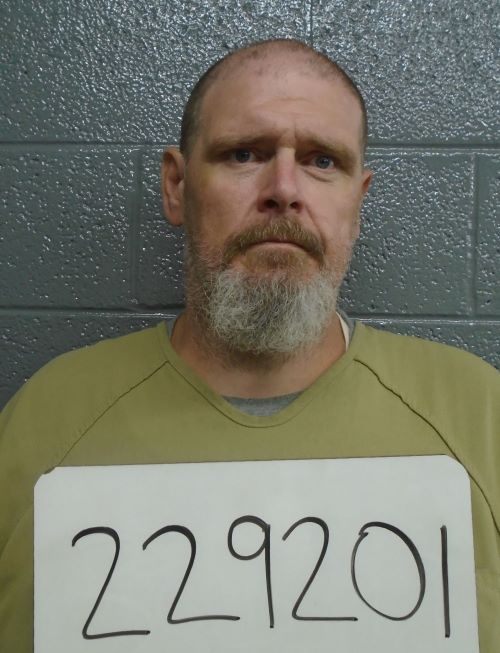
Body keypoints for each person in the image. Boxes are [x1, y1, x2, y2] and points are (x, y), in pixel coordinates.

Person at [0, 39, 498, 652]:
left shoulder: (479, 415)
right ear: (177, 187)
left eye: (322, 161)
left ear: (357, 202)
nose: (284, 189)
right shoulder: (47, 420)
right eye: (244, 153)